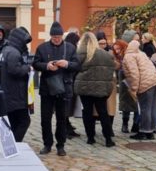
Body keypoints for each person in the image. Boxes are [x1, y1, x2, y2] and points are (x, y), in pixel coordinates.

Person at [33, 22, 79, 156]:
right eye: (54, 37)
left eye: (58, 37)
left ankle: (61, 145)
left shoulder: (70, 48)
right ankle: (47, 144)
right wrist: (46, 66)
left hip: (64, 88)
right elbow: (35, 63)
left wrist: (67, 64)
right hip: (47, 88)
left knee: (62, 119)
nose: (57, 39)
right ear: (50, 36)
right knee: (45, 119)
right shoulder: (42, 47)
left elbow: (77, 65)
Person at [73, 32, 116, 147]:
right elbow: (111, 68)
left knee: (87, 112)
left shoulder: (80, 54)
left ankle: (90, 137)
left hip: (84, 87)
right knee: (103, 112)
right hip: (101, 88)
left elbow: (74, 68)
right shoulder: (105, 54)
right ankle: (108, 138)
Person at [121, 40, 156, 140]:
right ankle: (150, 131)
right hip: (154, 81)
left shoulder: (129, 56)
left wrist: (134, 89)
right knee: (151, 108)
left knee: (145, 108)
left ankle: (143, 131)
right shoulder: (141, 53)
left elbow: (134, 74)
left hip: (145, 84)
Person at [0, 27, 33, 142]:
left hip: (9, 91)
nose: (26, 45)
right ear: (19, 40)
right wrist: (28, 68)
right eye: (25, 42)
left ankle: (10, 144)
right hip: (16, 94)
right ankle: (15, 143)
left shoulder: (6, 50)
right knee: (24, 121)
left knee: (13, 121)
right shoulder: (14, 52)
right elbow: (14, 70)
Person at [63, 29, 82, 138]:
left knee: (68, 107)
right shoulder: (72, 50)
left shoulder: (66, 49)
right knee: (67, 107)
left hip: (70, 82)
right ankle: (65, 129)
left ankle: (67, 126)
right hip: (70, 82)